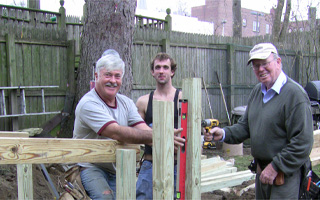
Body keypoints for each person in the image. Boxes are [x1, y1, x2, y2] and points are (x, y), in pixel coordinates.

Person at [205, 43, 314, 199]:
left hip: (284, 176)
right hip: (262, 172)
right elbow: (245, 126)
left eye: (264, 63)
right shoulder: (258, 92)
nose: (260, 69)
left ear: (278, 62)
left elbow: (303, 142)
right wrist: (223, 133)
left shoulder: (295, 95)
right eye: (256, 66)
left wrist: (276, 166)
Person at [73, 51, 184, 200]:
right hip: (91, 166)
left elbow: (143, 130)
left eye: (117, 76)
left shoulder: (125, 102)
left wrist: (164, 140)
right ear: (96, 75)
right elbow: (116, 132)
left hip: (116, 167)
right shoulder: (89, 104)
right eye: (108, 75)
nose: (113, 80)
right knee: (106, 198)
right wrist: (162, 135)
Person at [136, 52, 182, 199]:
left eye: (165, 67)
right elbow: (137, 133)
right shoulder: (143, 102)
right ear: (152, 72)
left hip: (176, 166)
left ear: (172, 71)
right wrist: (163, 138)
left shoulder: (182, 98)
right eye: (158, 67)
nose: (161, 71)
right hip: (150, 165)